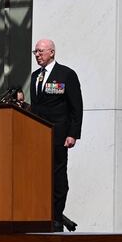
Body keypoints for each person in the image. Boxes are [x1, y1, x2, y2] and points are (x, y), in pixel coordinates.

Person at [29, 38, 83, 230]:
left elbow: (76, 107)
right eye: (35, 52)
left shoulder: (66, 74)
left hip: (59, 135)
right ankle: (43, 213)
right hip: (39, 136)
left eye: (41, 51)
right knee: (40, 176)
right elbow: (36, 107)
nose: (37, 55)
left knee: (58, 176)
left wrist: (73, 134)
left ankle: (57, 217)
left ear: (52, 52)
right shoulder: (35, 76)